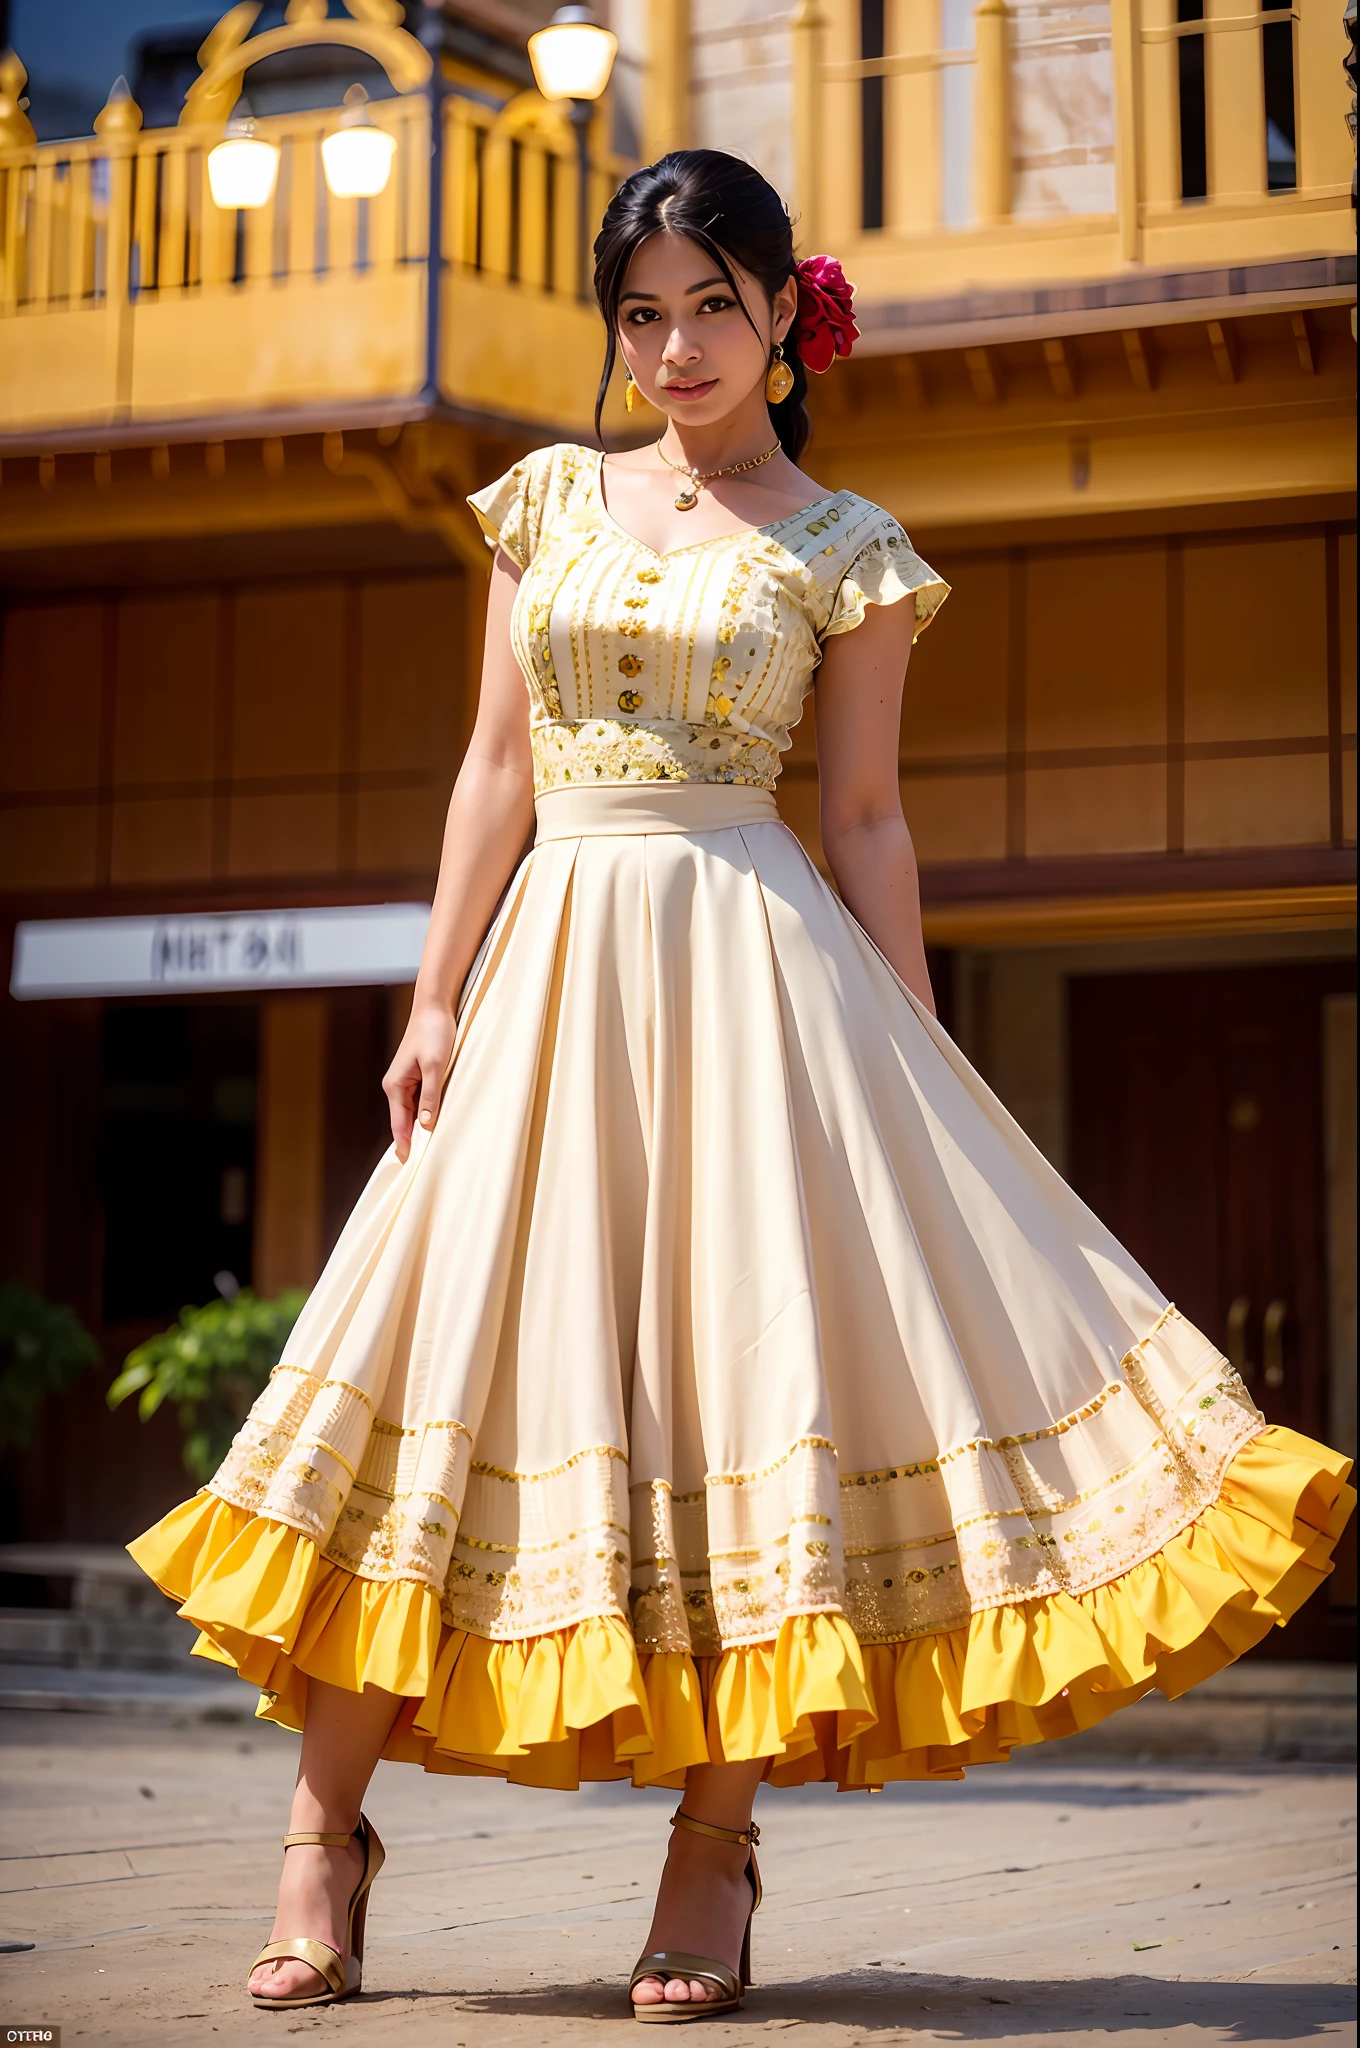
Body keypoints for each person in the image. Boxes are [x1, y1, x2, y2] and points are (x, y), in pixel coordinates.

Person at [129, 150, 1354, 2024]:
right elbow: (491, 776)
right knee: (436, 1367)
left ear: (788, 315)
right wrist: (429, 995)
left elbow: (861, 813)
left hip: (760, 975)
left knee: (740, 1392)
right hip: (547, 975)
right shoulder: (545, 502)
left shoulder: (845, 547)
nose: (676, 348)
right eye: (643, 314)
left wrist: (920, 1044)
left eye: (714, 305)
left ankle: (714, 1854)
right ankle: (323, 1835)